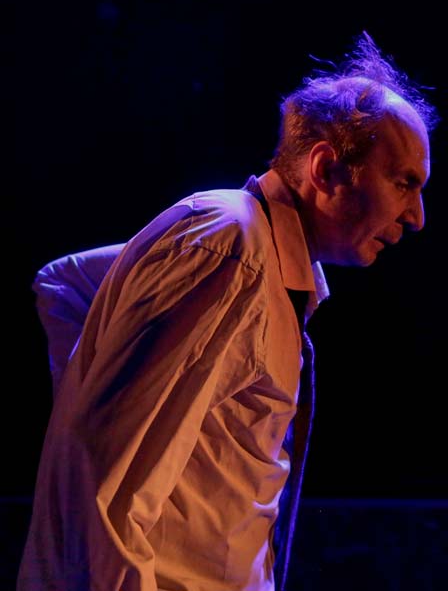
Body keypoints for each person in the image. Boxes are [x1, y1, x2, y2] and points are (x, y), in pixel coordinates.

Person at [17, 32, 438, 591]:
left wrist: (95, 384)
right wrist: (91, 410)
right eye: (404, 183)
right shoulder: (228, 248)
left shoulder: (249, 254)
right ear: (326, 170)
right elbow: (107, 488)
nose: (417, 216)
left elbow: (68, 284)